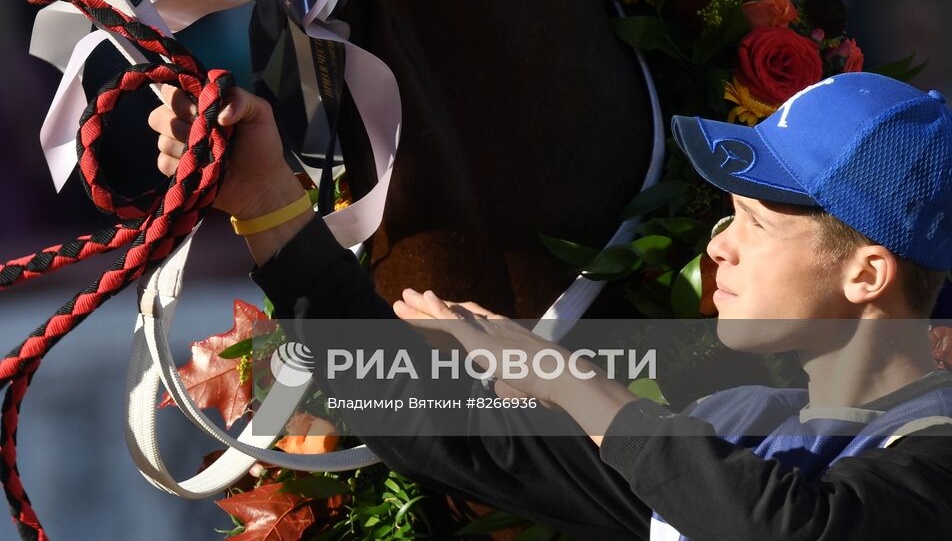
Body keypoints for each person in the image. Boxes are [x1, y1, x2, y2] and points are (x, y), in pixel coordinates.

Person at [148, 71, 952, 540]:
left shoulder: (936, 462)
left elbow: (776, 527)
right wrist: (269, 207)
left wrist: (569, 384)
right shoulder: (743, 421)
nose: (719, 246)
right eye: (726, 215)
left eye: (756, 223)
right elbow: (448, 431)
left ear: (867, 274)